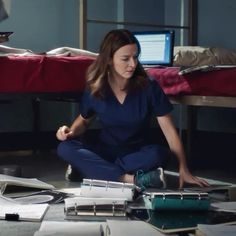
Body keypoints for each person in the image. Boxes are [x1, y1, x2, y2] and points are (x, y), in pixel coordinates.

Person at [56, 29, 209, 190]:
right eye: (125, 59)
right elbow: (83, 122)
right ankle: (132, 180)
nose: (133, 64)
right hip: (106, 151)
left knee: (159, 155)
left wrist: (183, 170)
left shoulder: (149, 86)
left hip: (137, 155)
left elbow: (170, 133)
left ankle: (93, 170)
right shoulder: (96, 87)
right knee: (65, 147)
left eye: (135, 57)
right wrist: (69, 132)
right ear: (109, 60)